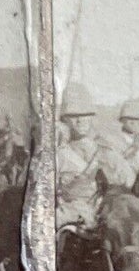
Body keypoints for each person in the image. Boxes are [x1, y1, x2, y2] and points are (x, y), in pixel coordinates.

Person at [55, 82, 133, 230]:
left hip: (107, 219)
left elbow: (130, 182)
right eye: (74, 116)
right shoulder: (58, 156)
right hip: (71, 221)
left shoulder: (107, 152)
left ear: (91, 117)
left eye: (85, 115)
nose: (80, 121)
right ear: (65, 120)